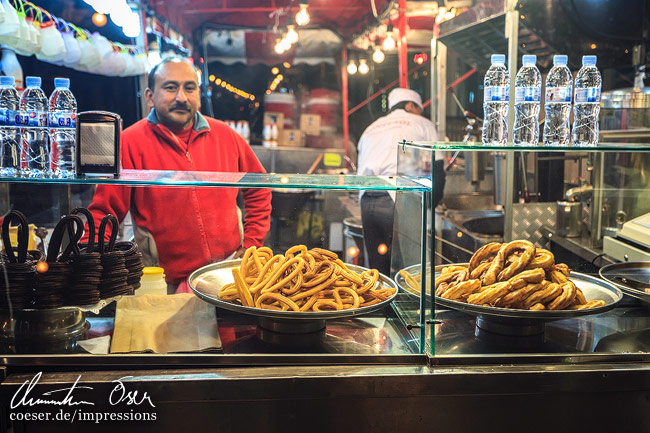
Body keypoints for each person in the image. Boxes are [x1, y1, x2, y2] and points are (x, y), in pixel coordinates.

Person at [85, 56, 272, 291]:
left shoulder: (226, 136)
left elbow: (259, 187)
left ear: (199, 96)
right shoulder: (129, 142)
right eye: (171, 87)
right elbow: (104, 213)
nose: (181, 97)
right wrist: (89, 264)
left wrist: (252, 244)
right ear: (150, 96)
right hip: (162, 283)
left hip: (228, 275)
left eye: (189, 88)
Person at [356, 88, 445, 276]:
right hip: (396, 198)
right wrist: (431, 204)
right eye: (420, 108)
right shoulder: (422, 123)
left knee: (377, 271)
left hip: (367, 200)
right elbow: (437, 167)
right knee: (411, 270)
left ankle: (381, 304)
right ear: (410, 105)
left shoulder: (370, 128)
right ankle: (409, 304)